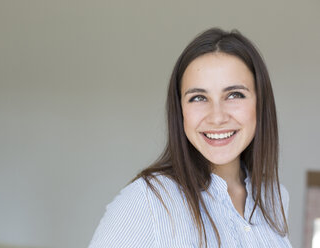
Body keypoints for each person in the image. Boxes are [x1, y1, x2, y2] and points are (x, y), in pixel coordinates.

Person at [89, 28, 292, 248]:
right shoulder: (147, 201)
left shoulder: (274, 197)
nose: (217, 117)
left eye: (234, 95)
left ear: (260, 103)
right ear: (180, 110)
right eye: (198, 98)